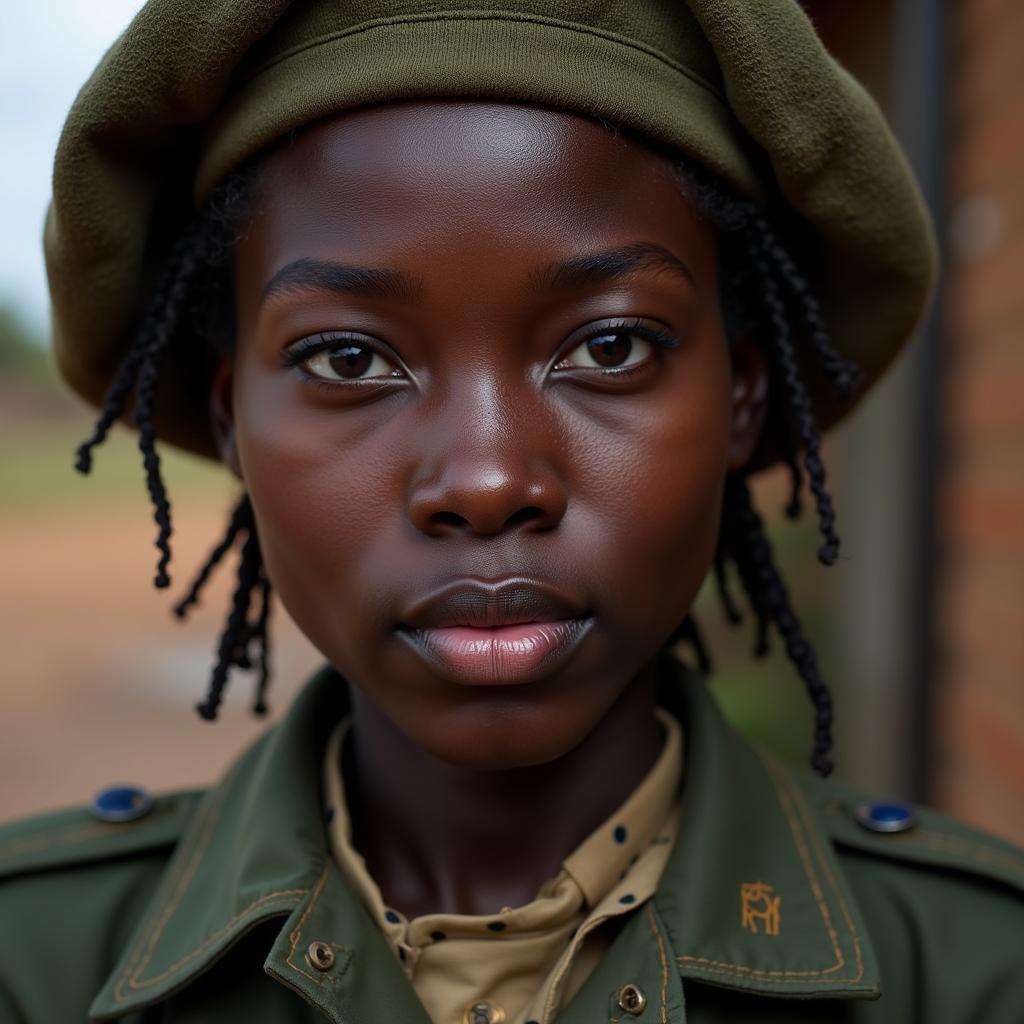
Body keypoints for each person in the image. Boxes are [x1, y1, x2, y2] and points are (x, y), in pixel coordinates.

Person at [2, 1, 1022, 1022]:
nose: (487, 480)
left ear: (740, 398)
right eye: (349, 358)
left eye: (611, 346)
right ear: (233, 421)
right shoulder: (32, 964)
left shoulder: (976, 970)